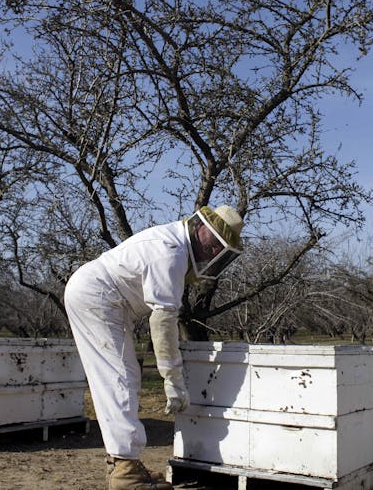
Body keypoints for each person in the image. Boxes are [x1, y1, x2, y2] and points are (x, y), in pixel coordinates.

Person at [64, 205, 244, 490]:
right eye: (213, 247)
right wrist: (172, 379)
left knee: (122, 377)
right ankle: (125, 471)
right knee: (119, 378)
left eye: (218, 253)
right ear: (202, 229)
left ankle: (123, 465)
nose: (212, 255)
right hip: (96, 296)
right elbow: (163, 321)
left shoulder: (174, 246)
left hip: (104, 297)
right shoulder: (170, 252)